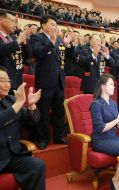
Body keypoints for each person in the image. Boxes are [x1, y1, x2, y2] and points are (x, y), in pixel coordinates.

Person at [29, 15, 72, 149]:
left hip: (59, 80)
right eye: (52, 24)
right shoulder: (37, 38)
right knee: (43, 110)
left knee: (59, 111)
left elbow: (65, 57)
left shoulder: (58, 40)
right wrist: (52, 42)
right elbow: (38, 53)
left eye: (55, 25)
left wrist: (66, 45)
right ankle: (43, 138)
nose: (55, 27)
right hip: (45, 81)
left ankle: (59, 136)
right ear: (43, 25)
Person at [0, 66, 45, 190]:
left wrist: (31, 106)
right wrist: (19, 103)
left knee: (37, 165)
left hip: (12, 156)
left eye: (8, 80)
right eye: (2, 80)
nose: (7, 84)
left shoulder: (12, 100)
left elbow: (33, 121)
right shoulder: (16, 102)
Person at [90, 73, 119, 190]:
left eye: (114, 85)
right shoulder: (96, 104)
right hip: (100, 139)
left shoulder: (113, 103)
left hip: (112, 137)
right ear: (103, 86)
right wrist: (117, 119)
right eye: (111, 85)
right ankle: (117, 180)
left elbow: (118, 127)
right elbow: (100, 128)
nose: (114, 87)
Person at [0, 10, 29, 94]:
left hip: (15, 81)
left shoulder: (12, 38)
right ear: (1, 19)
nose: (15, 24)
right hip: (2, 83)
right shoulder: (15, 40)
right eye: (12, 21)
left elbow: (27, 56)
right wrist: (19, 40)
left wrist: (25, 43)